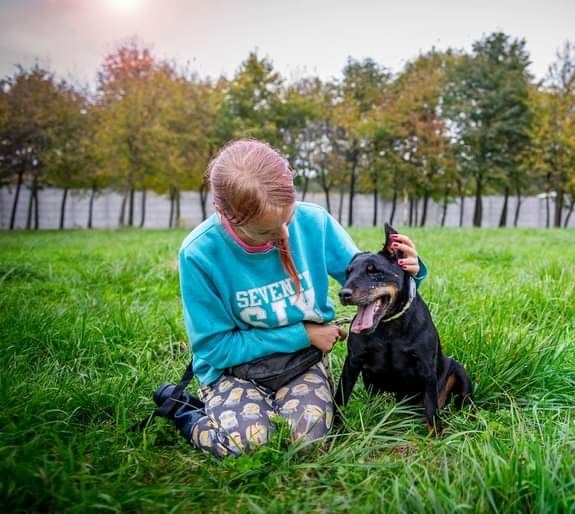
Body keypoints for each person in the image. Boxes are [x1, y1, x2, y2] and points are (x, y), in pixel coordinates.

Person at [155, 139, 427, 458]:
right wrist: (304, 334)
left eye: (289, 219)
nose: (285, 235)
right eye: (267, 233)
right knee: (249, 444)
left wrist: (407, 271)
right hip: (234, 369)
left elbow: (368, 284)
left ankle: (259, 411)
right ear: (223, 213)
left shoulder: (315, 223)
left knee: (310, 442)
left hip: (301, 363)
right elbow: (214, 348)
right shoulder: (200, 253)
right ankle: (184, 410)